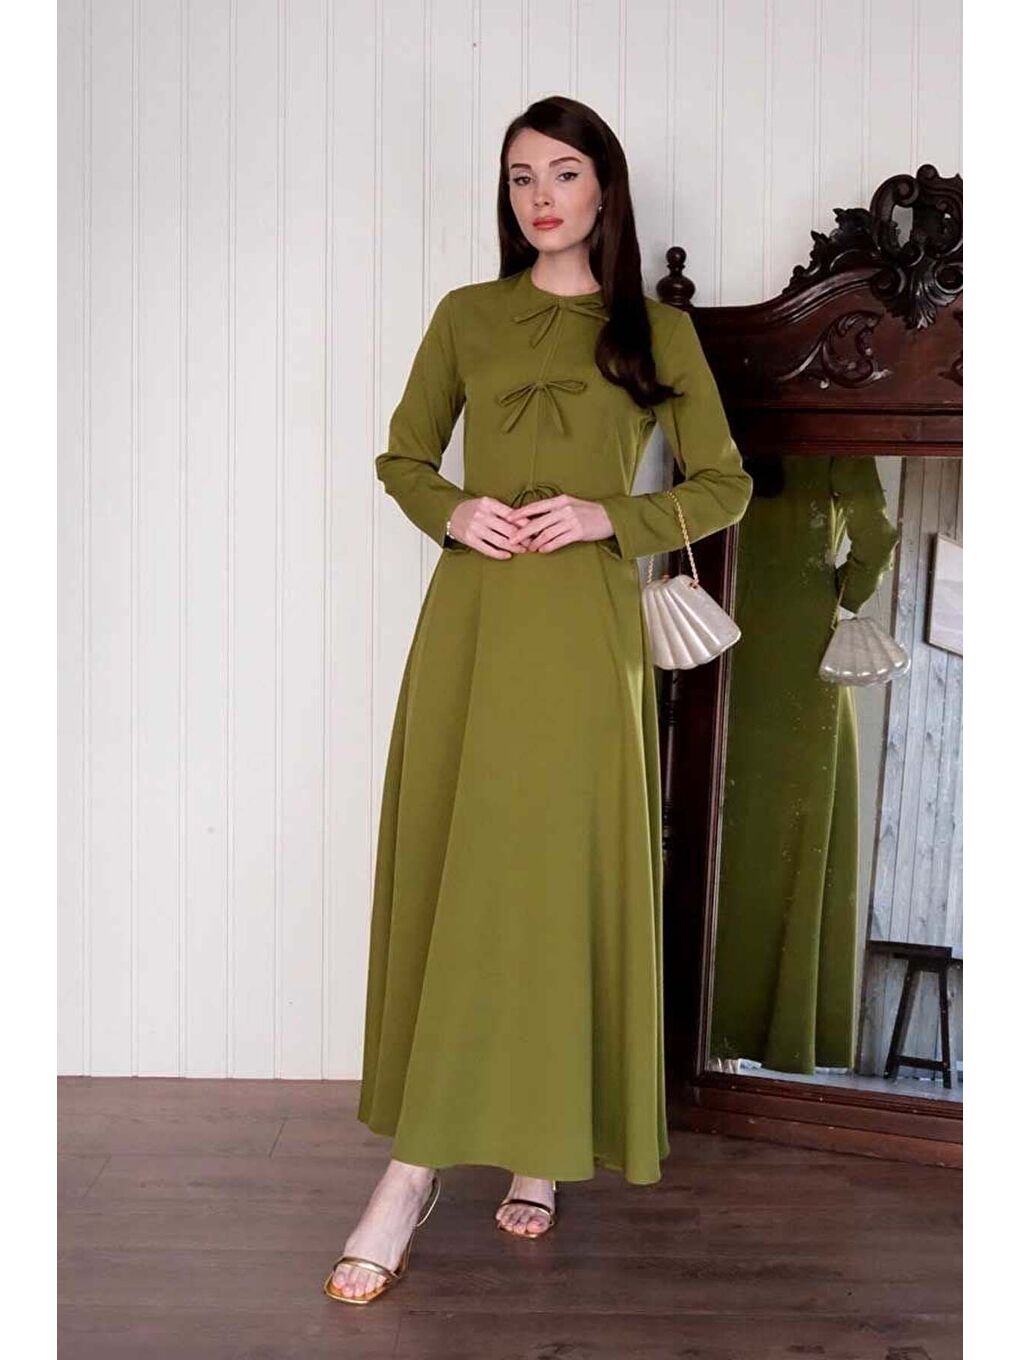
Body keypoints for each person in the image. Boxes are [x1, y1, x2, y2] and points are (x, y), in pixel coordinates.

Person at [324, 94, 753, 1304]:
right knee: (464, 871)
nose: (542, 196)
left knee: (554, 881)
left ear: (605, 188)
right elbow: (403, 457)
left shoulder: (656, 332)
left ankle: (542, 1148)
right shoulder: (466, 316)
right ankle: (410, 1172)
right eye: (521, 176)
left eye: (564, 172)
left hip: (583, 637)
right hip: (472, 626)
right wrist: (453, 509)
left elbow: (725, 483)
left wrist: (611, 516)